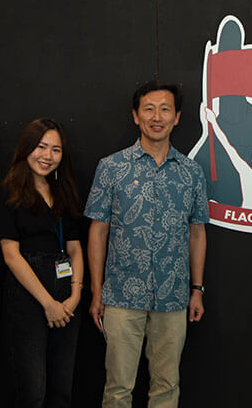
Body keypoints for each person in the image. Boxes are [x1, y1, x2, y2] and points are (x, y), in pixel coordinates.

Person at [85, 80, 209, 408]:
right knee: (117, 388)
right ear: (136, 116)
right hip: (121, 295)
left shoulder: (192, 172)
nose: (157, 116)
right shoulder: (111, 167)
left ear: (177, 117)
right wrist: (97, 292)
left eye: (165, 109)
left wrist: (197, 288)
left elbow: (197, 232)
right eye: (149, 109)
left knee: (167, 386)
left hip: (173, 296)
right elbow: (98, 231)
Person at [0, 118, 83, 407]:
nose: (47, 156)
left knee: (62, 389)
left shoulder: (63, 191)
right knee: (33, 392)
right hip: (29, 295)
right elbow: (10, 255)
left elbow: (75, 247)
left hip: (66, 293)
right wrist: (48, 304)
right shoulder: (8, 190)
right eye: (41, 147)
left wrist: (75, 294)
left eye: (55, 150)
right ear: (26, 148)